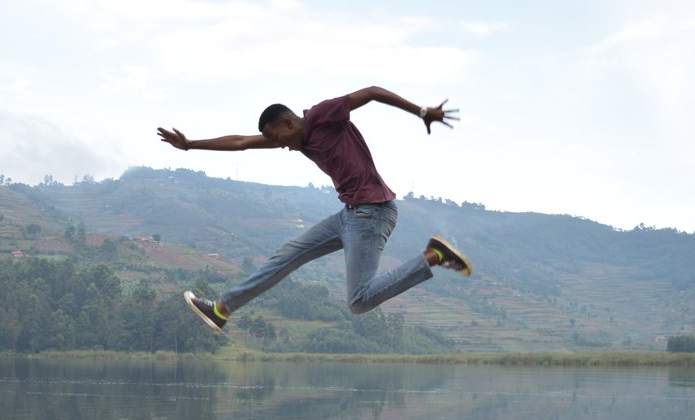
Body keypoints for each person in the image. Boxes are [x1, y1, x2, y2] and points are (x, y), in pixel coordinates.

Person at [157, 85, 473, 332]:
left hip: (372, 213)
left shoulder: (324, 114)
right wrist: (190, 145)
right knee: (287, 255)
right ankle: (222, 308)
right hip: (349, 215)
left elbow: (373, 93)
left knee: (359, 301)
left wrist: (420, 111)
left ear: (289, 122)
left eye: (274, 135)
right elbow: (241, 141)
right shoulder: (298, 139)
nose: (277, 143)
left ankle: (434, 256)